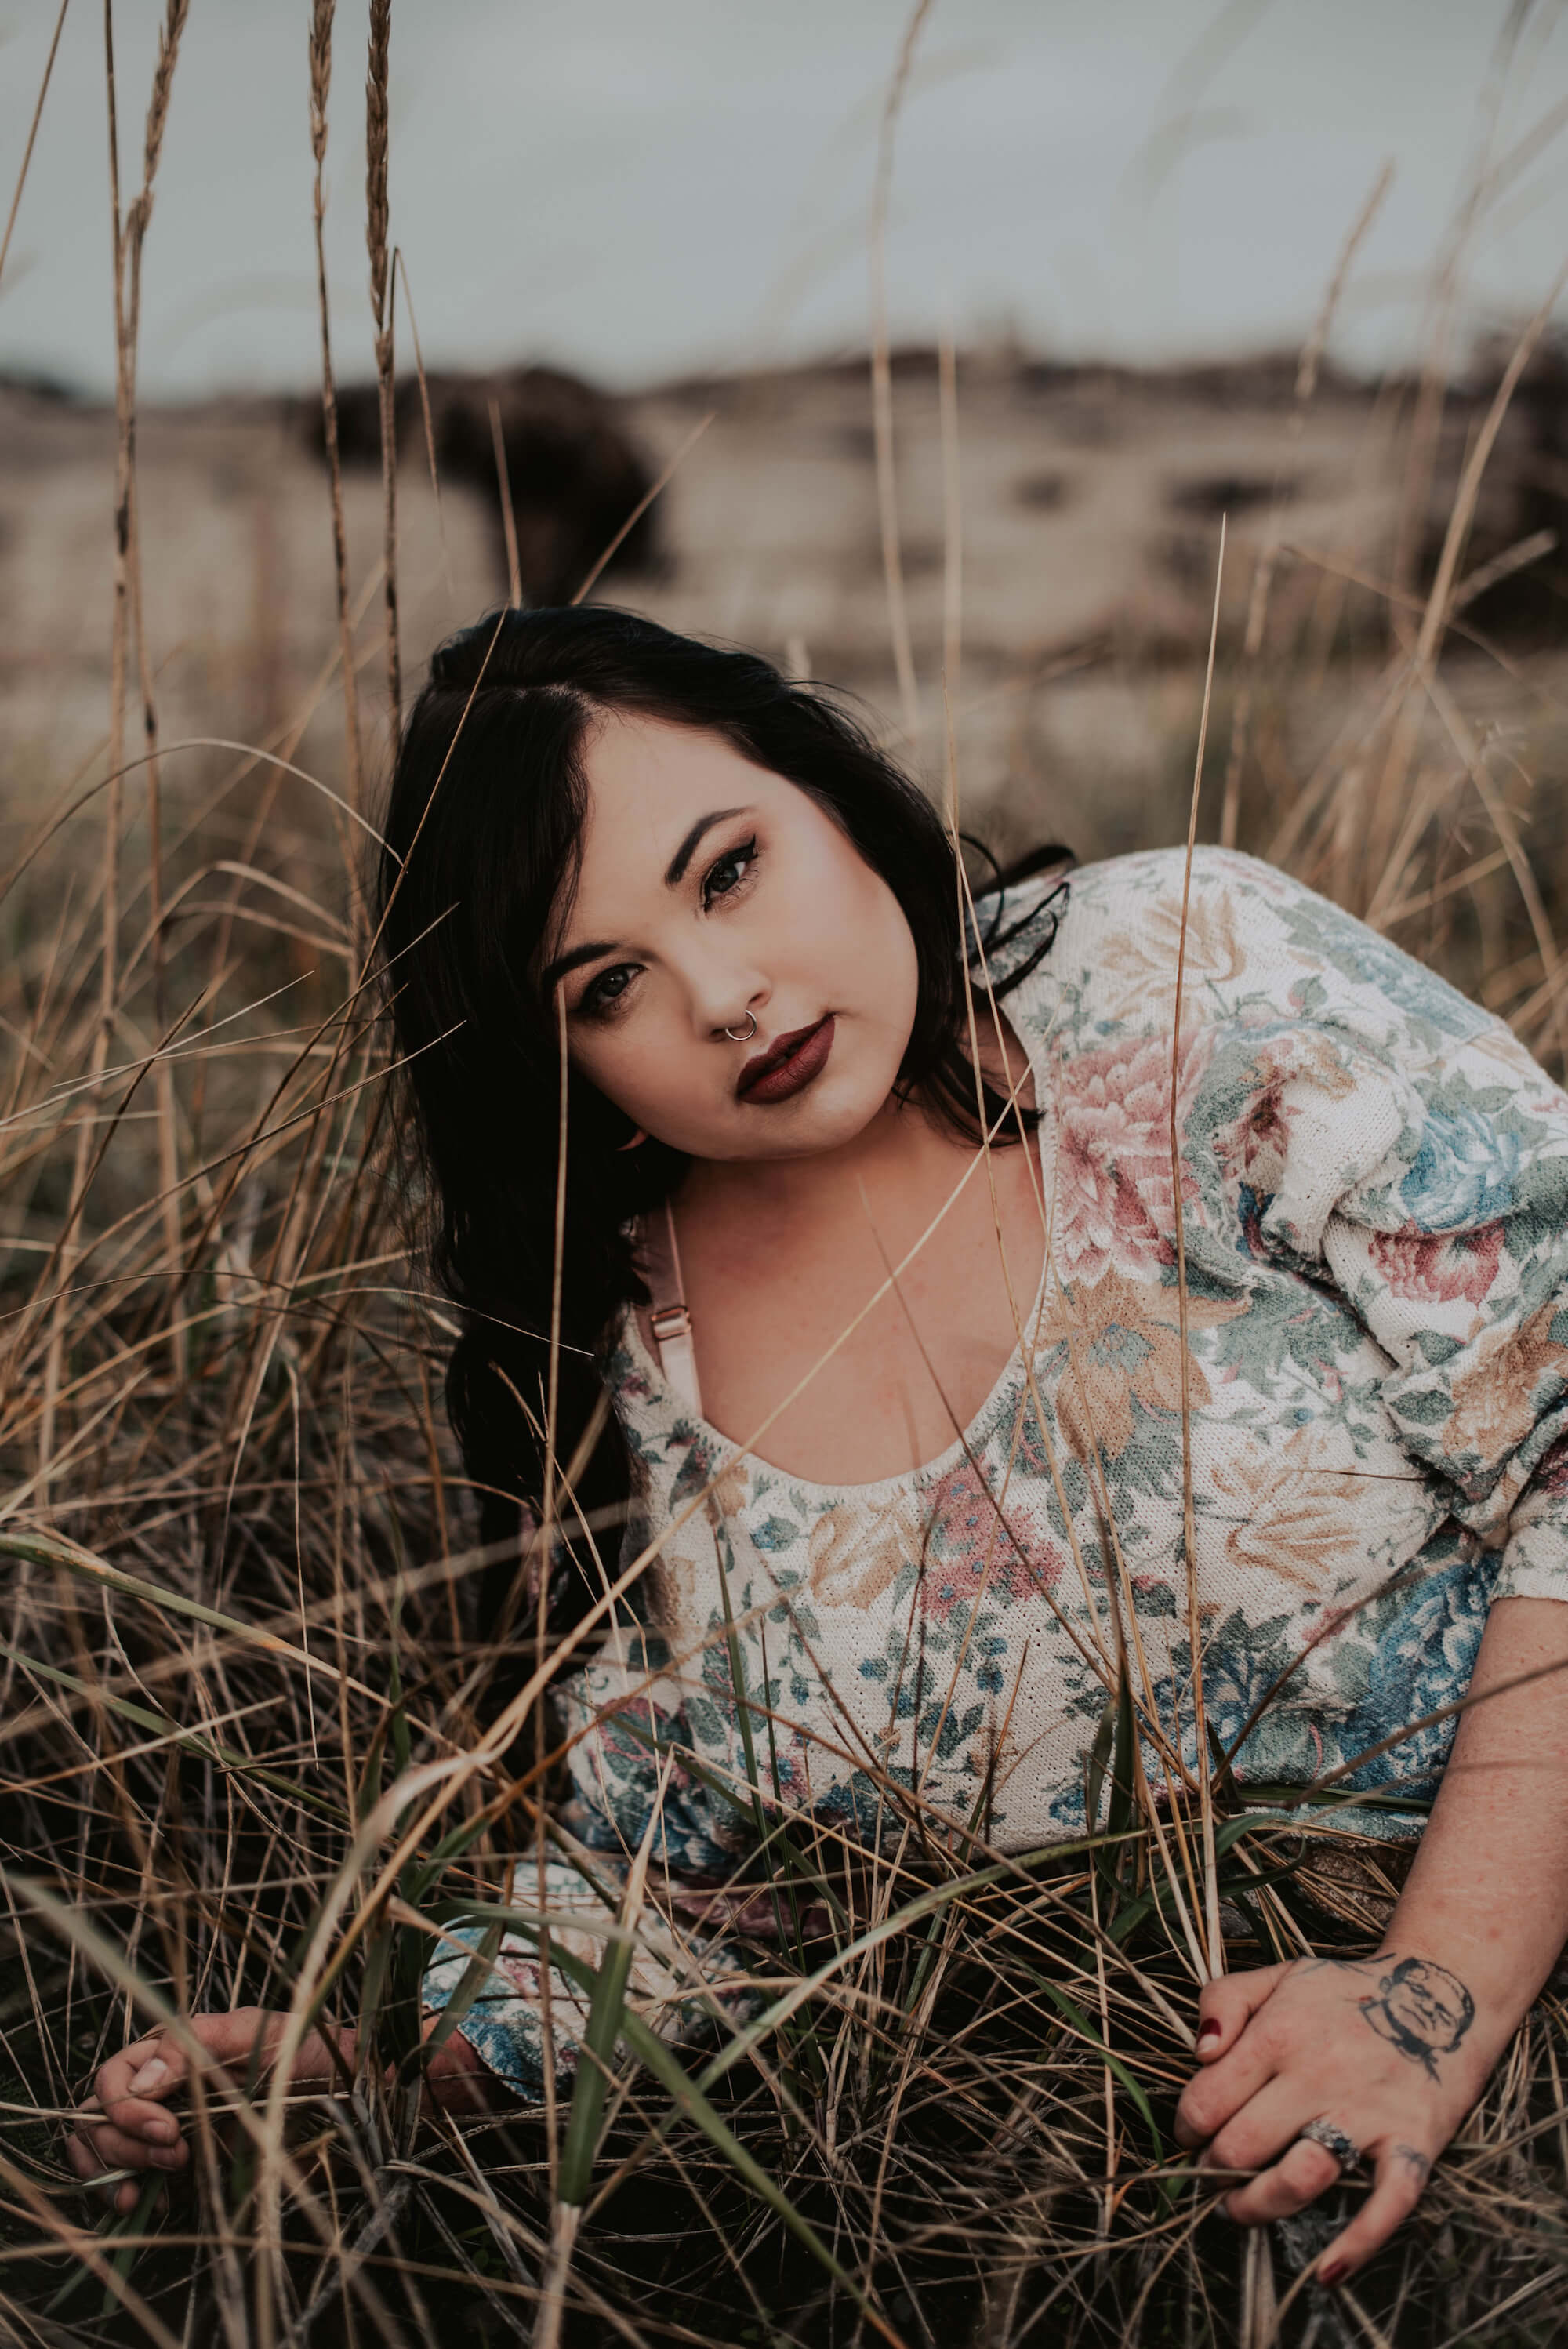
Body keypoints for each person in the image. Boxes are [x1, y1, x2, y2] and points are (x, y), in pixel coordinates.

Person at [70, 608, 1568, 2290]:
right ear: (572, 1065)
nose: (727, 996)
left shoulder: (1185, 977)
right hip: (1111, 2181)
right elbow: (697, 1885)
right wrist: (349, 2080)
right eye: (611, 983)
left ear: (828, 792)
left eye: (725, 870)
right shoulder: (632, 1361)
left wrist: (1431, 1993)